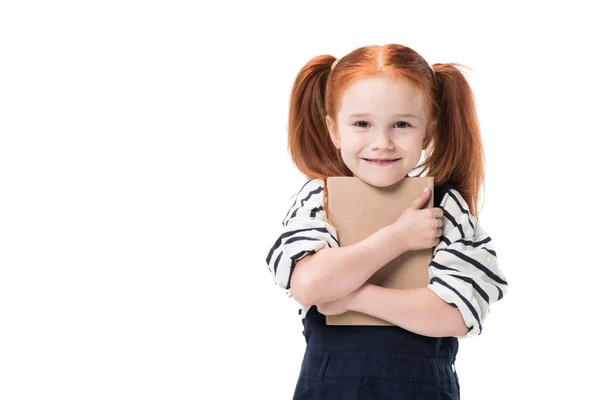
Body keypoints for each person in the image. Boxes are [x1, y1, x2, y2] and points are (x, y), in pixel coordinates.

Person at [265, 44, 508, 400]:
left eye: (402, 125)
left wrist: (354, 297)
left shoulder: (446, 208)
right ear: (334, 130)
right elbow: (310, 284)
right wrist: (397, 238)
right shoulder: (319, 199)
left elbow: (457, 315)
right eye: (362, 124)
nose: (382, 143)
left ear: (428, 131)